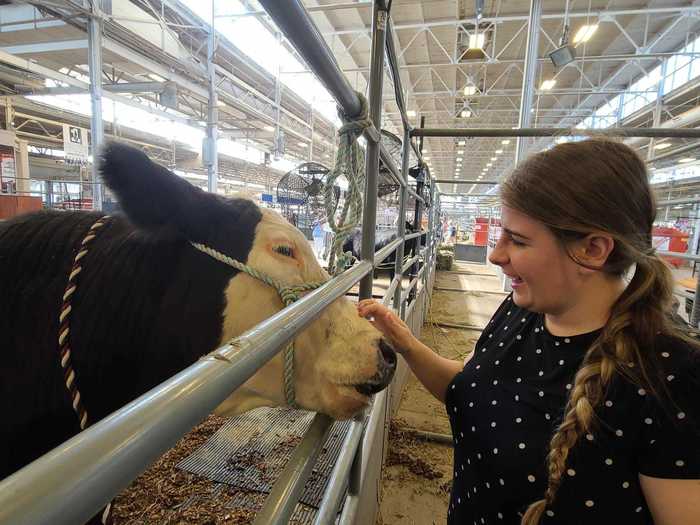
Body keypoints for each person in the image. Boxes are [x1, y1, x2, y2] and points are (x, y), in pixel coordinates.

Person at [358, 139, 700, 524]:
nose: (496, 254)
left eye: (517, 240)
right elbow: (468, 391)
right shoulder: (522, 311)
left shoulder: (669, 372)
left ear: (592, 250)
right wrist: (406, 343)